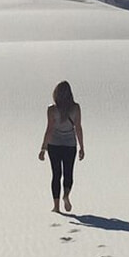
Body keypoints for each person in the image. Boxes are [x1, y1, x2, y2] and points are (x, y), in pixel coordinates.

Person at [38, 80, 85, 213]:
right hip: (70, 145)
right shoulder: (76, 108)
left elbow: (49, 129)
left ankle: (56, 206)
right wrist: (82, 147)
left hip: (54, 145)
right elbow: (78, 128)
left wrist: (43, 148)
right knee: (68, 173)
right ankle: (66, 195)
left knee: (56, 174)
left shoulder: (52, 109)